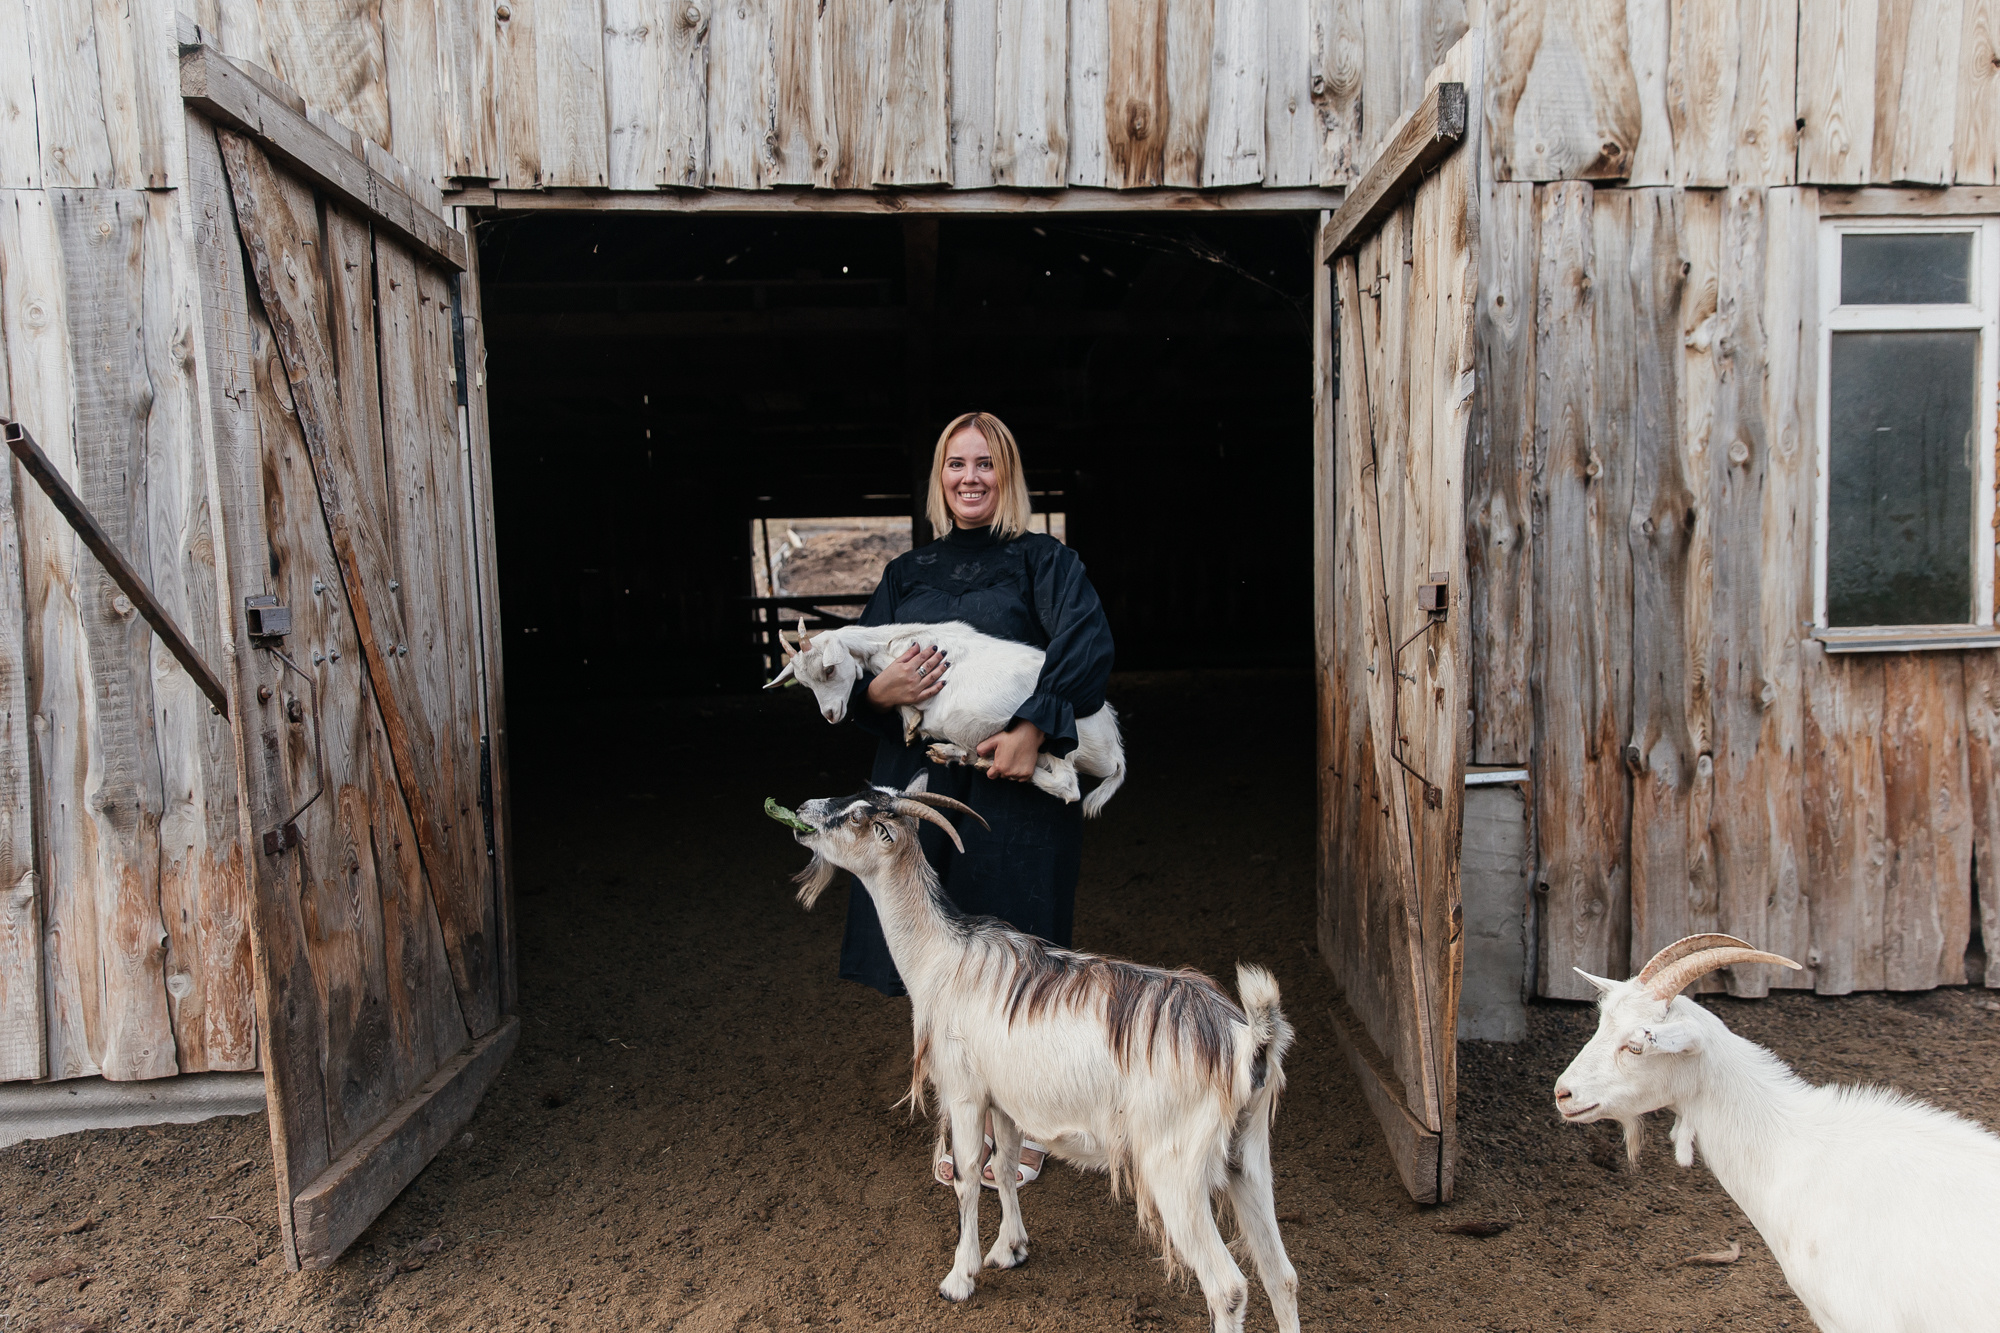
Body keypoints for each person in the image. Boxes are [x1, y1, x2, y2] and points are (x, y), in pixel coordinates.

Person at [839, 411, 1115, 1188]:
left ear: (1007, 476)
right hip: (926, 791)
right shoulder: (906, 572)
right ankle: (964, 1118)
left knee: (1018, 956)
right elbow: (854, 663)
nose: (969, 477)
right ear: (940, 476)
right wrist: (876, 692)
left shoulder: (1044, 562)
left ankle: (1026, 1118)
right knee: (943, 963)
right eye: (956, 463)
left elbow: (1087, 646)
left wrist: (1036, 726)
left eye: (985, 464)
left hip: (1013, 788)